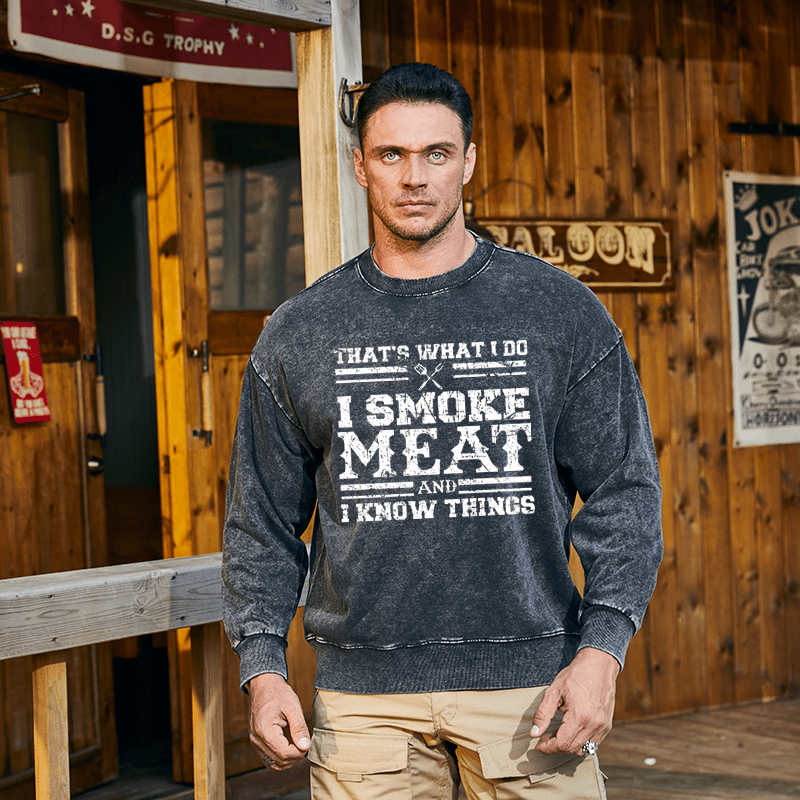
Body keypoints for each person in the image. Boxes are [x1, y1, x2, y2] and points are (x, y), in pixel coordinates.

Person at [222, 62, 663, 800]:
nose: (414, 177)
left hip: (532, 690)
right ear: (360, 166)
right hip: (364, 704)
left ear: (469, 161)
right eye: (391, 154)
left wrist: (603, 651)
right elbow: (259, 522)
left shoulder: (558, 312)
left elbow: (625, 493)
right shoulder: (300, 333)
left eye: (436, 153)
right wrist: (263, 669)